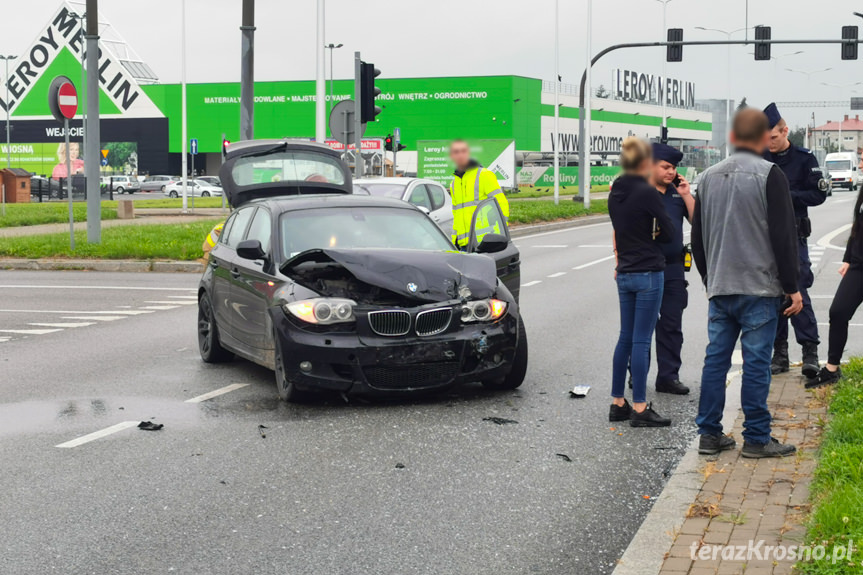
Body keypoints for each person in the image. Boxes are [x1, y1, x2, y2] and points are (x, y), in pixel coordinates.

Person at [692, 108, 803, 458]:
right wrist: (793, 286)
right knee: (756, 364)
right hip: (760, 288)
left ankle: (709, 434)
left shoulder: (707, 177)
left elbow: (697, 238)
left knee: (716, 361)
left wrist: (710, 277)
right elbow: (784, 236)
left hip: (721, 287)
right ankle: (756, 438)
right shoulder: (770, 174)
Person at [608, 137, 676, 428]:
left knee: (625, 336)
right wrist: (655, 235)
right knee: (640, 340)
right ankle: (639, 407)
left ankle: (617, 403)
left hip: (624, 271)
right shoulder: (647, 192)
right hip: (648, 271)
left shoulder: (615, 192)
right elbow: (670, 231)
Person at [763, 103, 828, 379]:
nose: (770, 143)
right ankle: (780, 353)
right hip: (765, 237)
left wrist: (786, 196)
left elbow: (818, 195)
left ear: (785, 131)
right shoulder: (760, 158)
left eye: (774, 137)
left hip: (795, 236)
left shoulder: (804, 159)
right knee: (775, 293)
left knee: (797, 288)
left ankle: (810, 352)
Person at [807, 159, 863, 388]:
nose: (861, 163)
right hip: (859, 265)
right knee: (838, 312)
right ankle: (832, 369)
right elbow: (857, 226)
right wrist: (849, 259)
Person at [649, 143, 695, 396]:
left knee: (671, 325)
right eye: (665, 167)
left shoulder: (677, 193)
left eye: (673, 168)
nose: (670, 172)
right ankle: (638, 374)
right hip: (644, 268)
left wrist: (687, 194)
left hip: (674, 268)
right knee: (642, 326)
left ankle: (668, 377)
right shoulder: (640, 192)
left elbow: (698, 220)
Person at [449, 139, 510, 249]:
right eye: (456, 152)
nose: (460, 155)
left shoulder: (484, 175)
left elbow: (502, 204)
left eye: (463, 151)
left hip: (486, 243)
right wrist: (455, 241)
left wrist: (501, 235)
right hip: (464, 246)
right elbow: (456, 216)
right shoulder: (454, 184)